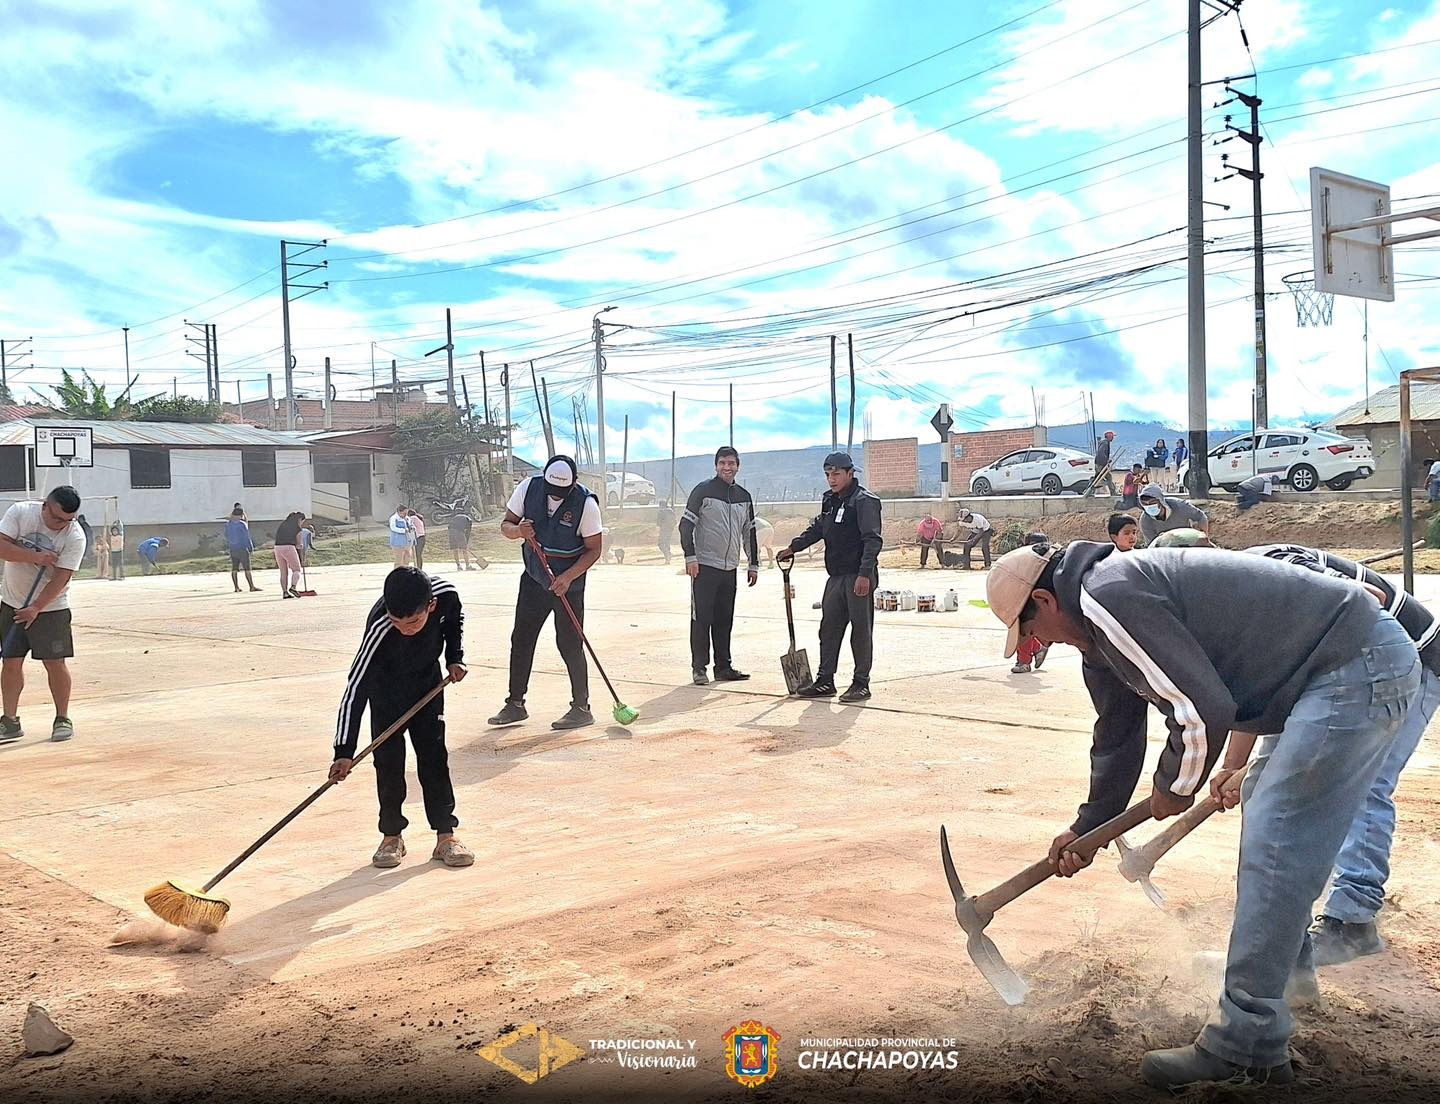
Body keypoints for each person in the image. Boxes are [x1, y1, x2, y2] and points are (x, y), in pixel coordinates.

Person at [983, 540, 1419, 1089]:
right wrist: (1089, 826)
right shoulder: (1096, 635)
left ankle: (1245, 1044)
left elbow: (1201, 708)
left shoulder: (1107, 596)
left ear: (1045, 601)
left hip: (1354, 666)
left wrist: (1176, 785)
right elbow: (1117, 734)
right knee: (1275, 833)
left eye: (1031, 631)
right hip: (1323, 676)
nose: (1038, 643)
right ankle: (1287, 978)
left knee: (1278, 846)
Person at [1246, 543, 1440, 967]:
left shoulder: (1278, 568)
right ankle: (1285, 930)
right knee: (1265, 785)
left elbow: (1368, 602)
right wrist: (1232, 766)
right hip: (1333, 673)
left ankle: (1352, 922)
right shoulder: (1242, 591)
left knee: (1365, 783)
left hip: (1409, 662)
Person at [328, 567, 473, 870]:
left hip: (427, 687)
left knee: (434, 758)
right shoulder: (381, 625)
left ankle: (446, 837)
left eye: (413, 622)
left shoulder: (445, 595)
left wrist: (454, 657)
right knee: (389, 762)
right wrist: (343, 751)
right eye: (397, 622)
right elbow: (356, 686)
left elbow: (453, 623)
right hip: (386, 692)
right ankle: (392, 836)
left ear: (430, 606)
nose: (404, 629)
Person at [488, 456, 603, 731]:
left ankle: (581, 708)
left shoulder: (586, 503)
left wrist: (567, 577)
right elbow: (506, 525)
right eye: (552, 490)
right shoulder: (528, 488)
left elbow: (594, 549)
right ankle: (515, 704)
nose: (556, 496)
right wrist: (518, 532)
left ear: (574, 484)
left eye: (562, 492)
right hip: (534, 577)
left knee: (569, 643)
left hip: (568, 584)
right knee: (522, 638)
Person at [776, 452, 882, 703]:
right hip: (835, 576)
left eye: (836, 474)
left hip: (858, 576)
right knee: (829, 629)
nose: (831, 479)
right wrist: (794, 547)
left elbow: (872, 539)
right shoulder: (830, 500)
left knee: (861, 631)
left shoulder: (864, 501)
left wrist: (865, 574)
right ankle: (825, 680)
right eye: (827, 474)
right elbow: (819, 528)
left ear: (850, 473)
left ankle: (861, 683)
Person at [0, 487, 86, 743]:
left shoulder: (75, 536)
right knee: (11, 662)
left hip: (51, 609)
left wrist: (36, 607)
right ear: (44, 506)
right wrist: (35, 556)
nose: (62, 525)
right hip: (12, 602)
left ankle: (62, 718)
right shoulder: (21, 513)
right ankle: (10, 721)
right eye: (58, 519)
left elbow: (61, 578)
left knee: (54, 663)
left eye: (68, 520)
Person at [679, 446, 760, 686]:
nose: (727, 467)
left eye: (732, 463)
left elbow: (750, 531)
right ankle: (699, 668)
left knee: (725, 619)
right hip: (704, 567)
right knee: (701, 618)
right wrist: (690, 557)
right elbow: (685, 526)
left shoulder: (744, 496)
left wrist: (753, 563)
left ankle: (723, 666)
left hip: (730, 569)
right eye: (723, 463)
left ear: (738, 466)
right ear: (716, 465)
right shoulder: (703, 491)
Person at [1011, 531, 1050, 674]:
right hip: (1022, 598)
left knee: (1024, 629)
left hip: (1038, 600)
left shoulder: (1049, 562)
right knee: (1022, 629)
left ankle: (1024, 662)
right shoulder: (1020, 560)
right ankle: (1037, 647)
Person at [1137, 484, 1210, 544]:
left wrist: (1204, 536)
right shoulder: (1145, 521)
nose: (1149, 506)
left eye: (1152, 503)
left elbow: (1201, 516)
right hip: (1166, 549)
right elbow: (1153, 546)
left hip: (1187, 541)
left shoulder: (1180, 506)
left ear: (1161, 500)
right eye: (1145, 504)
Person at [225, 507, 261, 593]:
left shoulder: (228, 524)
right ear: (241, 515)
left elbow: (226, 535)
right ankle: (251, 586)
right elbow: (246, 537)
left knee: (234, 568)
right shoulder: (242, 524)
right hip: (242, 548)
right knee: (247, 568)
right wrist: (250, 547)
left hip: (233, 548)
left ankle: (236, 587)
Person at [274, 512, 304, 598]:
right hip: (289, 547)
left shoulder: (283, 524)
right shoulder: (297, 528)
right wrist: (301, 546)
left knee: (283, 572)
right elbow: (299, 544)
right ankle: (293, 587)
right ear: (299, 520)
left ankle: (285, 592)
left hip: (277, 547)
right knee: (296, 569)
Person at [1088, 430, 1117, 498]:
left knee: (1097, 479)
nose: (1113, 438)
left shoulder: (1104, 442)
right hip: (1101, 464)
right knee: (1108, 477)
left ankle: (1089, 491)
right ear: (1109, 436)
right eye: (1112, 436)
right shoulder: (1105, 443)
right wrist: (1106, 460)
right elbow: (1101, 453)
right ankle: (1112, 492)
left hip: (1099, 464)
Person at [655, 500, 676, 565]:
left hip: (664, 530)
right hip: (670, 530)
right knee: (667, 543)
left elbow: (658, 523)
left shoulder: (661, 512)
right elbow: (675, 521)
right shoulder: (671, 511)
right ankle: (668, 557)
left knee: (660, 544)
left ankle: (667, 556)